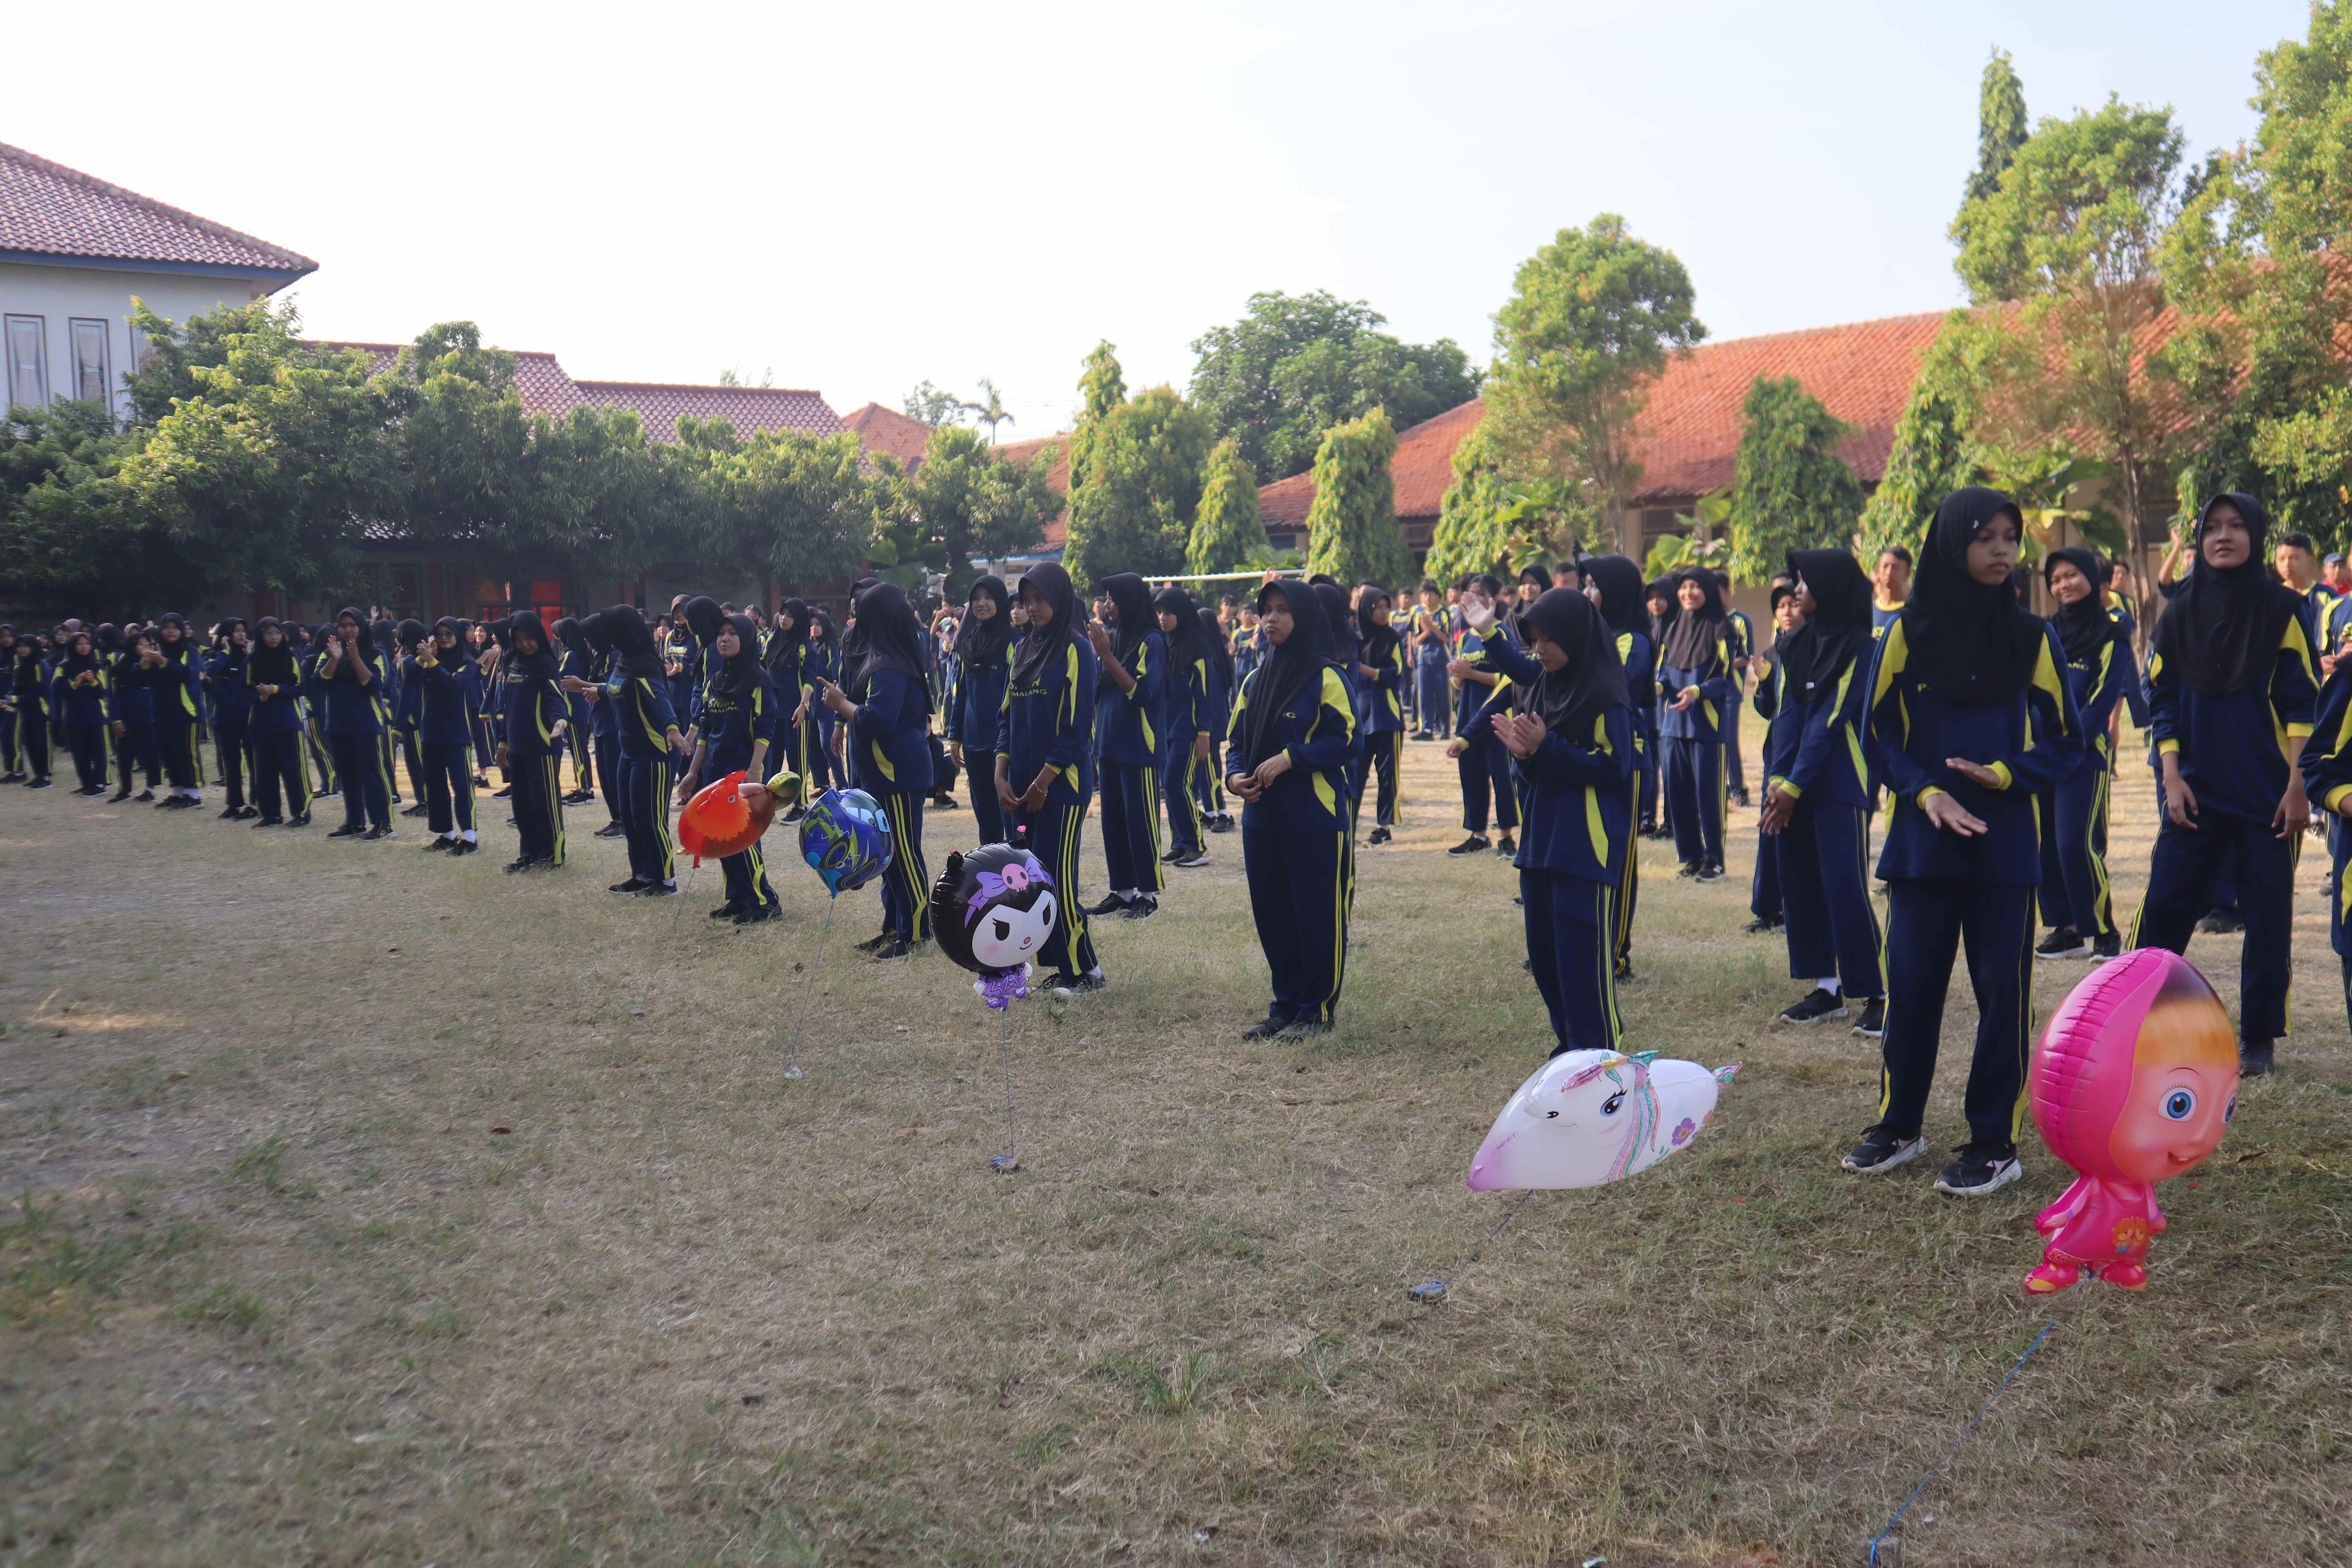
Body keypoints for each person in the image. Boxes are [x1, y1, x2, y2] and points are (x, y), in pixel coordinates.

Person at [1844, 489, 2083, 1195]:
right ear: (1953, 545)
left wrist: (2009, 773)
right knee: (1912, 985)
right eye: (1985, 538)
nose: (2003, 551)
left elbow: (2071, 742)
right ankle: (1899, 1124)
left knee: (2001, 994)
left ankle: (1992, 1141)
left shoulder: (2035, 639)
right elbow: (1875, 731)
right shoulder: (1905, 636)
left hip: (2005, 844)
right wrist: (1925, 791)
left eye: (2011, 537)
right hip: (1923, 841)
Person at [2130, 493, 2318, 1079]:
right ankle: (2134, 1019)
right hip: (2195, 793)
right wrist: (2171, 778)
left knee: (2267, 919)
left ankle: (2259, 1037)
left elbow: (2301, 700)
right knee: (2163, 910)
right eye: (2212, 528)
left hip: (2269, 798)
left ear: (2255, 536)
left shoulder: (2284, 609)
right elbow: (2161, 698)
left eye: (2238, 526)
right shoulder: (2181, 610)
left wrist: (2297, 786)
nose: (2224, 536)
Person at [1465, 587, 1633, 1056]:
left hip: (1585, 845)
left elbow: (1615, 767)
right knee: (1546, 957)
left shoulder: (1605, 695)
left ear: (1576, 637)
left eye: (1548, 640)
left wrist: (1546, 747)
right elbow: (1540, 761)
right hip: (1542, 840)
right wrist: (1527, 756)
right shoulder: (1543, 684)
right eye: (1534, 640)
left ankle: (1600, 1055)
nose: (1539, 650)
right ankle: (1569, 1046)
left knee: (1582, 962)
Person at [1759, 550, 1887, 1034]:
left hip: (1839, 780)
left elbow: (1832, 718)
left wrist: (1794, 784)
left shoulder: (1862, 646)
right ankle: (1827, 989)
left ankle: (1879, 992)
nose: (1796, 591)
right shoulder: (1794, 643)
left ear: (1830, 589)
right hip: (1792, 781)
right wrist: (1777, 781)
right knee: (1801, 885)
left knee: (1844, 885)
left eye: (1804, 582)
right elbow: (1788, 714)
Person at [1227, 580, 1357, 1039]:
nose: (1271, 619)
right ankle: (1285, 1005)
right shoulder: (1254, 678)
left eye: (1283, 610)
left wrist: (1291, 758)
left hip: (1315, 818)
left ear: (1303, 616)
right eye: (1266, 610)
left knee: (1317, 914)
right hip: (1262, 820)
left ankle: (1317, 1010)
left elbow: (1346, 740)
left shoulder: (1328, 675)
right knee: (1274, 914)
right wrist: (1234, 778)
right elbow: (1236, 744)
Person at [995, 564, 1104, 996]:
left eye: (1041, 599)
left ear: (1060, 600)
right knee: (1028, 878)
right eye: (1026, 600)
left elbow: (1077, 730)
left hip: (1061, 788)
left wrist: (1043, 783)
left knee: (1053, 878)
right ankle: (1067, 964)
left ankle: (1085, 973)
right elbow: (1007, 718)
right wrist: (1001, 774)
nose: (1032, 608)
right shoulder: (1022, 649)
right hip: (1021, 790)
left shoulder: (1077, 649)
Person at [821, 581, 935, 957]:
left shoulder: (890, 667)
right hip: (880, 776)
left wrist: (841, 706)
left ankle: (917, 932)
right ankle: (894, 927)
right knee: (887, 858)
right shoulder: (879, 658)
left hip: (897, 777)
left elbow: (877, 720)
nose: (856, 621)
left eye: (863, 613)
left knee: (903, 854)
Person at [2034, 547, 2131, 962]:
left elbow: (2104, 695)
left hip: (2082, 756)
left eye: (2072, 575)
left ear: (2093, 578)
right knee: (2045, 846)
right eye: (2056, 579)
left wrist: (2072, 741)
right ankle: (2067, 927)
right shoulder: (2045, 632)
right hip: (2041, 756)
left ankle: (2103, 929)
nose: (2063, 585)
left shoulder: (2112, 633)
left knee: (2076, 843)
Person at [677, 612, 781, 922]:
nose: (724, 638)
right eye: (721, 633)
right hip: (716, 770)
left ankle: (765, 902)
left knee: (744, 837)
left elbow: (766, 729)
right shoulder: (716, 680)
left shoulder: (760, 681)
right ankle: (738, 896)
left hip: (746, 771)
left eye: (733, 633)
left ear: (747, 639)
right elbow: (707, 730)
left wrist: (754, 771)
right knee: (722, 837)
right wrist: (694, 772)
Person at [1581, 555, 1654, 979]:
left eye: (1595, 585)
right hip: (1595, 750)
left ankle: (1616, 955)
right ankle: (1587, 947)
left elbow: (1612, 687)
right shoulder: (1595, 634)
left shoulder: (1632, 640)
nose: (1587, 592)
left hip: (1627, 754)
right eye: (1586, 583)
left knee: (1620, 859)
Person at [1086, 573, 1167, 920]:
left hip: (1140, 746)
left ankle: (1148, 896)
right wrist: (1099, 655)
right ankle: (1121, 891)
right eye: (1106, 598)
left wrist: (1106, 657)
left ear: (1131, 601)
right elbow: (1099, 687)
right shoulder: (1114, 637)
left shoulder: (1154, 641)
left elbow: (1142, 693)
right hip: (1108, 743)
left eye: (1113, 598)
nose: (1107, 605)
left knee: (1141, 822)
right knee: (1114, 823)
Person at [601, 604, 692, 895]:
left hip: (654, 753)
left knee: (649, 818)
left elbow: (659, 698)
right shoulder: (624, 661)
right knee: (629, 816)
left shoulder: (645, 664)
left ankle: (665, 880)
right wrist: (595, 690)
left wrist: (673, 728)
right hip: (629, 752)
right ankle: (642, 874)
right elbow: (618, 688)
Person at [1657, 568, 1735, 880]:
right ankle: (1690, 856)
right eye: (1684, 587)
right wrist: (1660, 686)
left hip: (1706, 726)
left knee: (1708, 796)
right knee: (1678, 794)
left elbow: (1729, 680)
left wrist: (1698, 691)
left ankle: (1714, 860)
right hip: (1672, 725)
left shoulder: (1723, 629)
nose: (1688, 593)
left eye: (1696, 587)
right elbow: (1665, 669)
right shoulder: (1673, 627)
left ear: (1709, 591)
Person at [1445, 573, 1519, 858]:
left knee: (1502, 777)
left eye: (1480, 593)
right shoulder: (1466, 638)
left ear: (1492, 599)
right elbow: (1457, 683)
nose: (1473, 598)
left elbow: (1511, 677)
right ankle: (1478, 835)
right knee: (1472, 777)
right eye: (1470, 593)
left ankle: (1507, 837)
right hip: (1469, 717)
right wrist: (1458, 678)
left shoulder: (1500, 633)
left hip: (1497, 718)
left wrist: (1472, 673)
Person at [499, 611, 569, 873]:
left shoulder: (547, 665)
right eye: (519, 640)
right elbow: (508, 706)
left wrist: (560, 722)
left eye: (529, 638)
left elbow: (556, 699)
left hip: (543, 746)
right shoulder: (512, 663)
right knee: (522, 805)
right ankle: (529, 853)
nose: (525, 645)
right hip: (517, 746)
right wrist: (503, 743)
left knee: (545, 803)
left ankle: (552, 855)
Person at [946, 578, 1014, 845]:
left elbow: (1015, 698)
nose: (981, 604)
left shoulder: (1013, 642)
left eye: (988, 598)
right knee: (985, 819)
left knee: (1010, 817)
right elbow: (960, 693)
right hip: (973, 743)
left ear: (1000, 602)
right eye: (976, 598)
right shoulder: (969, 643)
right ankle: (992, 877)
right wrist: (954, 738)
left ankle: (1018, 879)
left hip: (1003, 745)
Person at [1154, 584, 1216, 868]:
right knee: (1171, 787)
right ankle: (1179, 843)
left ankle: (1196, 846)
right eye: (1160, 612)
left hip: (1189, 732)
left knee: (1177, 785)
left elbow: (1205, 692)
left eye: (1169, 612)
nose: (1163, 618)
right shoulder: (1166, 644)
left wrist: (1204, 733)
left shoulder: (1198, 646)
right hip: (1167, 729)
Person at [413, 617, 483, 856]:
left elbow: (454, 685)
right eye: (439, 634)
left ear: (458, 636)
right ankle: (446, 835)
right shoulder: (429, 661)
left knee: (462, 786)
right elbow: (412, 680)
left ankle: (470, 838)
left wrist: (432, 662)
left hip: (457, 734)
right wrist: (425, 658)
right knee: (434, 787)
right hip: (431, 732)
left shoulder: (468, 663)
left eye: (449, 634)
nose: (444, 638)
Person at [244, 618, 312, 827]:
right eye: (268, 633)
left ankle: (301, 814)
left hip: (287, 721)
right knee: (265, 770)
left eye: (277, 633)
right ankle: (271, 814)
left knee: (293, 770)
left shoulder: (290, 657)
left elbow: (300, 688)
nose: (273, 638)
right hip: (261, 721)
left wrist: (275, 690)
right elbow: (245, 689)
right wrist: (259, 695)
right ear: (260, 636)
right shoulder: (253, 660)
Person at [1354, 586, 1407, 846]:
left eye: (1387, 607)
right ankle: (1347, 823)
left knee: (1387, 776)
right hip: (1358, 717)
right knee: (1355, 772)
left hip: (1387, 717)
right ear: (1366, 609)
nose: (1384, 612)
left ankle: (1383, 828)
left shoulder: (1394, 638)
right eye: (1378, 607)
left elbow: (1395, 676)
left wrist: (1368, 671)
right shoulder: (1354, 639)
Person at [206, 619, 257, 818]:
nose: (242, 635)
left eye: (244, 631)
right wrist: (226, 653)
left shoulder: (251, 656)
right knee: (231, 762)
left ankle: (255, 804)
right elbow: (210, 673)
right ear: (227, 634)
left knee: (254, 761)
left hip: (248, 714)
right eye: (237, 631)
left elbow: (255, 677)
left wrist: (250, 656)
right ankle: (234, 804)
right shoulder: (216, 656)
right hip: (225, 715)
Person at [53, 631, 111, 795]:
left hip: (94, 716)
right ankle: (87, 783)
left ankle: (100, 784)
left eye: (87, 643)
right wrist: (74, 684)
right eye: (79, 644)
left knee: (98, 751)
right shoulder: (63, 667)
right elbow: (56, 689)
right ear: (72, 646)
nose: (84, 647)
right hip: (73, 717)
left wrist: (93, 682)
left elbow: (102, 692)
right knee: (80, 753)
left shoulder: (96, 666)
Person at [1195, 604, 1236, 833]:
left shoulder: (1208, 654)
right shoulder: (1217, 651)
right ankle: (1210, 811)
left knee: (1209, 767)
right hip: (1215, 718)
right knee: (1205, 766)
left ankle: (1223, 812)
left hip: (1209, 720)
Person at [1716, 571, 1755, 809]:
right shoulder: (1704, 620)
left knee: (1730, 740)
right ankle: (1718, 788)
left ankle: (1738, 789)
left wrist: (1721, 664)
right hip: (1705, 690)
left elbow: (1747, 657)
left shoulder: (1740, 620)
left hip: (1731, 689)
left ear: (1728, 592)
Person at [1409, 580, 1453, 742]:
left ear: (1438, 597)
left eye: (1431, 594)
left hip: (1441, 659)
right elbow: (1416, 641)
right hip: (1423, 659)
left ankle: (1446, 728)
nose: (1427, 598)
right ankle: (1427, 729)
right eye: (1424, 594)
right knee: (1424, 696)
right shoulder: (1418, 614)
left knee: (1443, 695)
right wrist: (1427, 631)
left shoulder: (1444, 614)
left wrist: (1432, 628)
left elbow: (1447, 639)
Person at [1870, 546, 1912, 632]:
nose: (1889, 572)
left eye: (1895, 568)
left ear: (1908, 573)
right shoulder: (1868, 611)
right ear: (1878, 571)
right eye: (1885, 567)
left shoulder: (1913, 613)